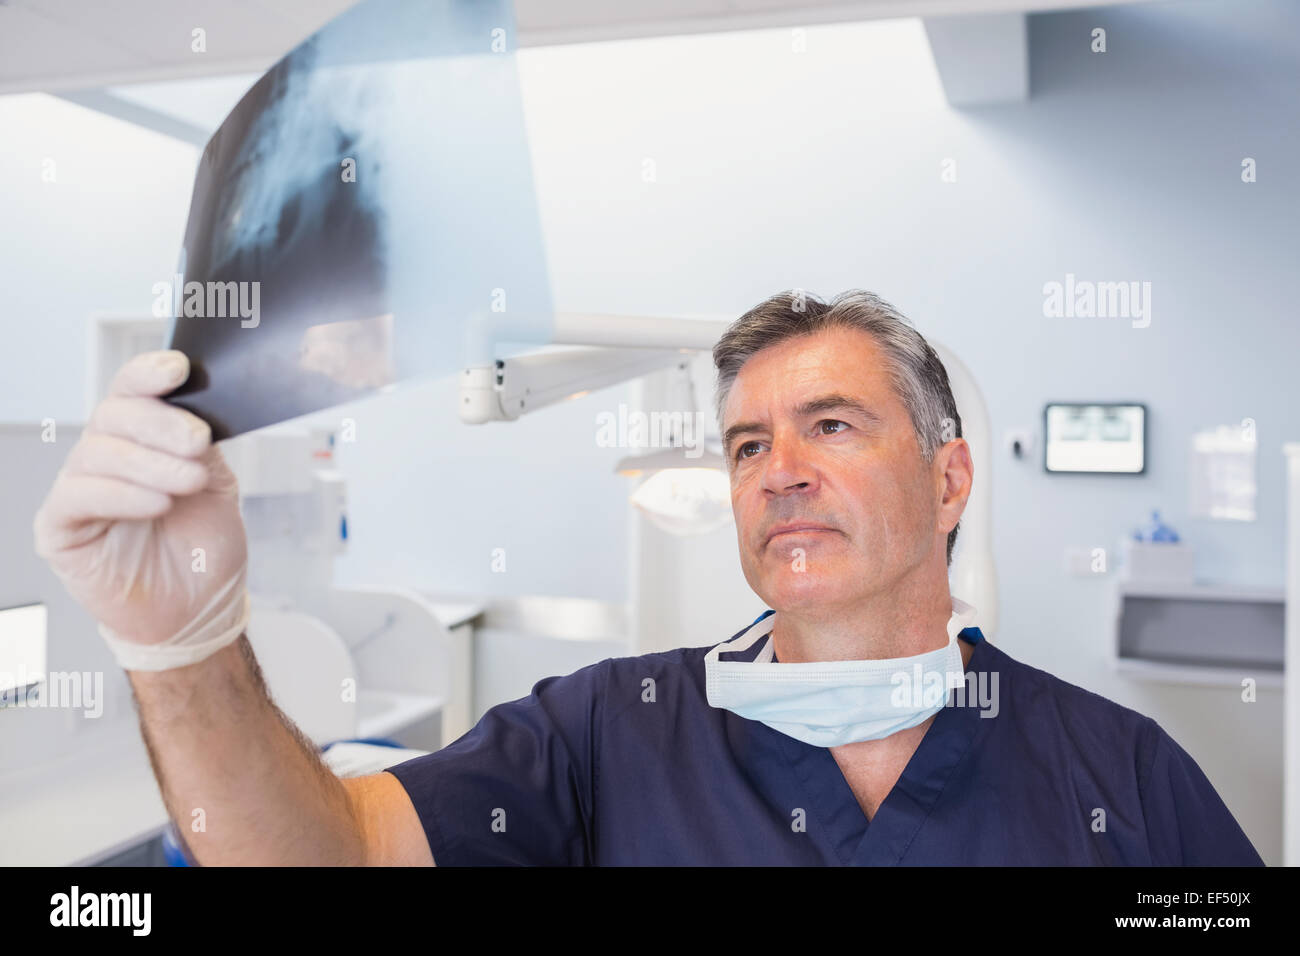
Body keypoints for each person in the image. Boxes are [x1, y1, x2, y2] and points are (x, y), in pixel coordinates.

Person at [33, 289, 1263, 866]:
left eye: (831, 427)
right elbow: (322, 859)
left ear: (949, 482)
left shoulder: (1123, 776)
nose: (777, 471)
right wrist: (179, 641)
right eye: (745, 444)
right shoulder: (606, 735)